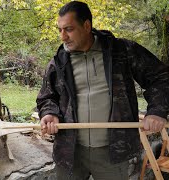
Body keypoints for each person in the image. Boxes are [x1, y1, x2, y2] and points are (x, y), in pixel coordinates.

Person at [36, 1, 169, 180]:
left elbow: (161, 78)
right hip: (70, 151)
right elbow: (47, 96)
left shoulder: (122, 51)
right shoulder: (59, 62)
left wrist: (157, 111)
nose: (62, 36)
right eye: (59, 30)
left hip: (113, 152)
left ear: (86, 25)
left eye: (68, 29)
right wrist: (49, 113)